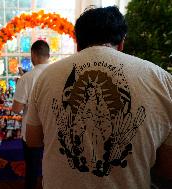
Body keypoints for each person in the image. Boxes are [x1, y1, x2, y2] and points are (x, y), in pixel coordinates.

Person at [26, 6, 172, 189]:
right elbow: (168, 166)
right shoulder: (162, 80)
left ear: (78, 45)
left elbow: (32, 139)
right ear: (121, 43)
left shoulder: (45, 77)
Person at [12, 40, 50, 189]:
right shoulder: (59, 73)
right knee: (52, 167)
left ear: (33, 55)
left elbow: (16, 109)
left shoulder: (27, 79)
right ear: (48, 54)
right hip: (53, 128)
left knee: (32, 169)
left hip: (31, 131)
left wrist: (21, 85)